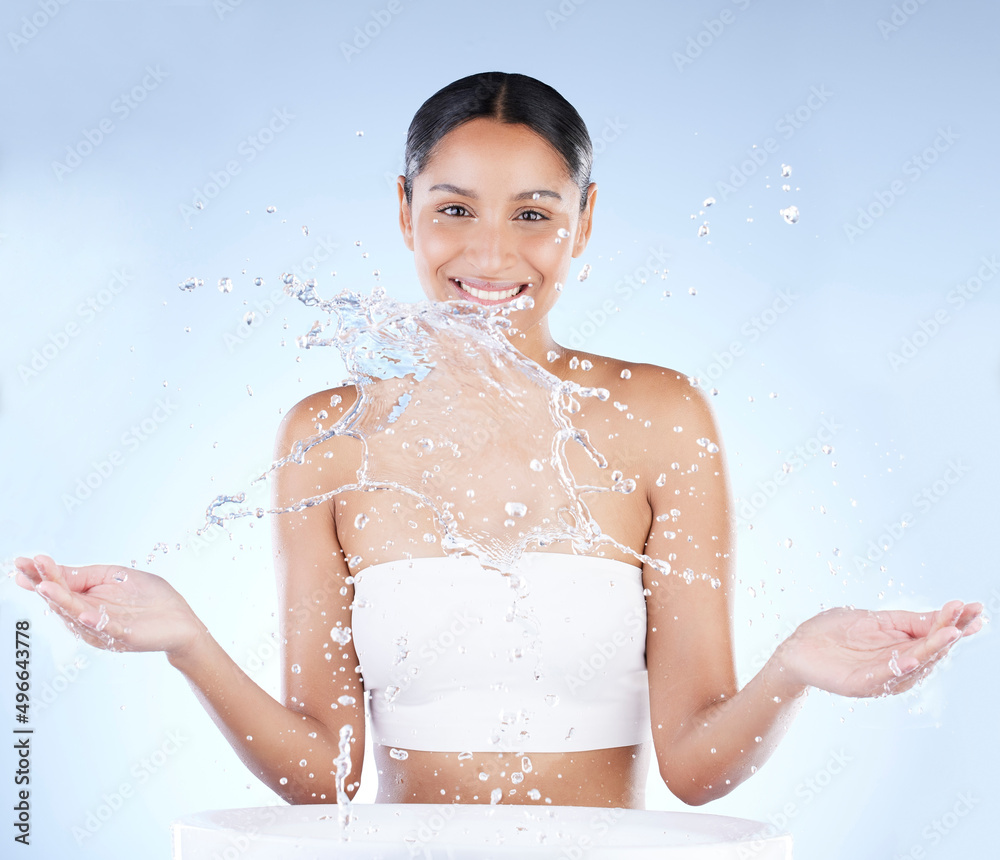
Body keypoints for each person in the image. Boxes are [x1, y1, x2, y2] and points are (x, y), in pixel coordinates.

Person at [14, 72, 983, 811]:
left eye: (533, 214)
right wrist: (186, 638)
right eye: (452, 210)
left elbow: (693, 763)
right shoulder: (329, 435)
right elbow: (328, 771)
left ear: (584, 221)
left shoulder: (661, 417)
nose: (488, 255)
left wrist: (796, 665)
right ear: (403, 211)